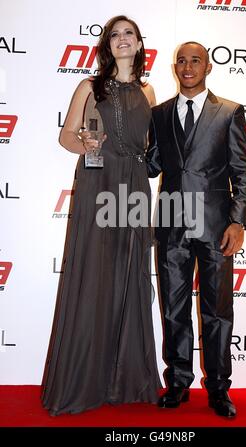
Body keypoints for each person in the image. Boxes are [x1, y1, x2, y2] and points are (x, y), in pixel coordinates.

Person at [41, 15, 161, 416]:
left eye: (129, 34)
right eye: (115, 35)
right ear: (107, 45)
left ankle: (126, 378)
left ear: (140, 44)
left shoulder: (149, 89)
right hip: (99, 183)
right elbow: (66, 135)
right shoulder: (89, 86)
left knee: (130, 274)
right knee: (95, 274)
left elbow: (152, 146)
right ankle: (85, 379)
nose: (122, 39)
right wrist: (88, 144)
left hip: (135, 188)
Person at [146, 42, 246, 417]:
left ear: (207, 67)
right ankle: (177, 382)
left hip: (216, 227)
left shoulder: (229, 112)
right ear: (174, 67)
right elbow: (151, 165)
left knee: (218, 311)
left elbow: (242, 172)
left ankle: (219, 389)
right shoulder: (158, 114)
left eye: (195, 60)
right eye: (181, 60)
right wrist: (113, 148)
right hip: (172, 225)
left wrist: (238, 222)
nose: (187, 66)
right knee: (173, 309)